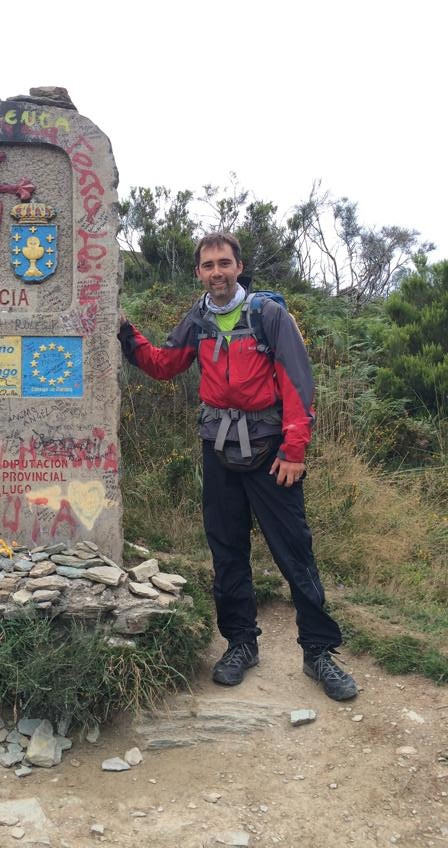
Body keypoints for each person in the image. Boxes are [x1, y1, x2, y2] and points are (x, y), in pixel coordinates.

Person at [118, 232, 357, 701]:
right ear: (199, 273)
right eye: (208, 266)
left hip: (271, 452)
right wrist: (127, 335)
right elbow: (167, 364)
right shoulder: (200, 317)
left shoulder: (269, 315)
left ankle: (319, 652)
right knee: (226, 552)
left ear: (239, 266)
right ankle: (241, 644)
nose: (217, 273)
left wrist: (295, 450)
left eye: (224, 263)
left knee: (294, 552)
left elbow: (297, 383)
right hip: (218, 448)